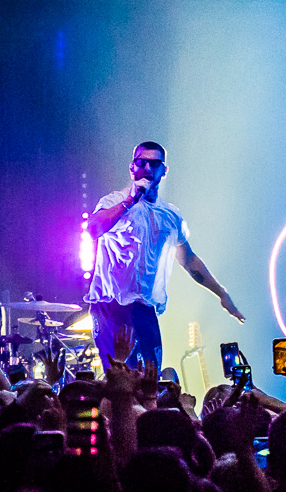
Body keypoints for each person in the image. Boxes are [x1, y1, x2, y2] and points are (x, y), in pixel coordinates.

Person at [85, 141, 244, 370]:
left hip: (144, 309)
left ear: (164, 170)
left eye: (154, 163)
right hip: (111, 306)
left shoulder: (170, 215)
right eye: (142, 162)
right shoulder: (113, 202)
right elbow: (92, 229)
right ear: (132, 168)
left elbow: (189, 260)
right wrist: (130, 201)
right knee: (119, 378)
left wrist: (221, 293)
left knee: (150, 379)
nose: (148, 168)